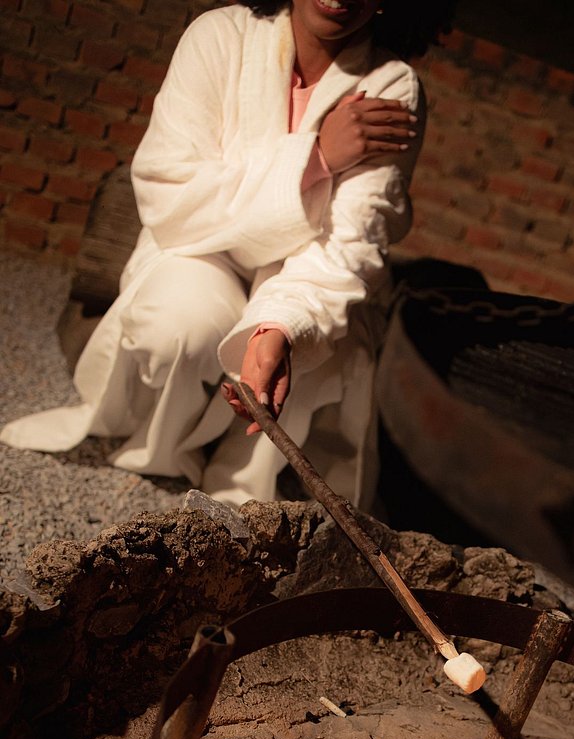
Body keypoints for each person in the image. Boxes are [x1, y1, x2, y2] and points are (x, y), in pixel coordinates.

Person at [1, 0, 455, 507]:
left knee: (311, 344)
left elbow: (350, 240)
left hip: (302, 271)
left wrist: (278, 325)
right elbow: (170, 195)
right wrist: (316, 158)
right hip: (199, 250)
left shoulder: (391, 86)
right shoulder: (219, 36)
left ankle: (238, 466)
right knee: (176, 327)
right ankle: (171, 439)